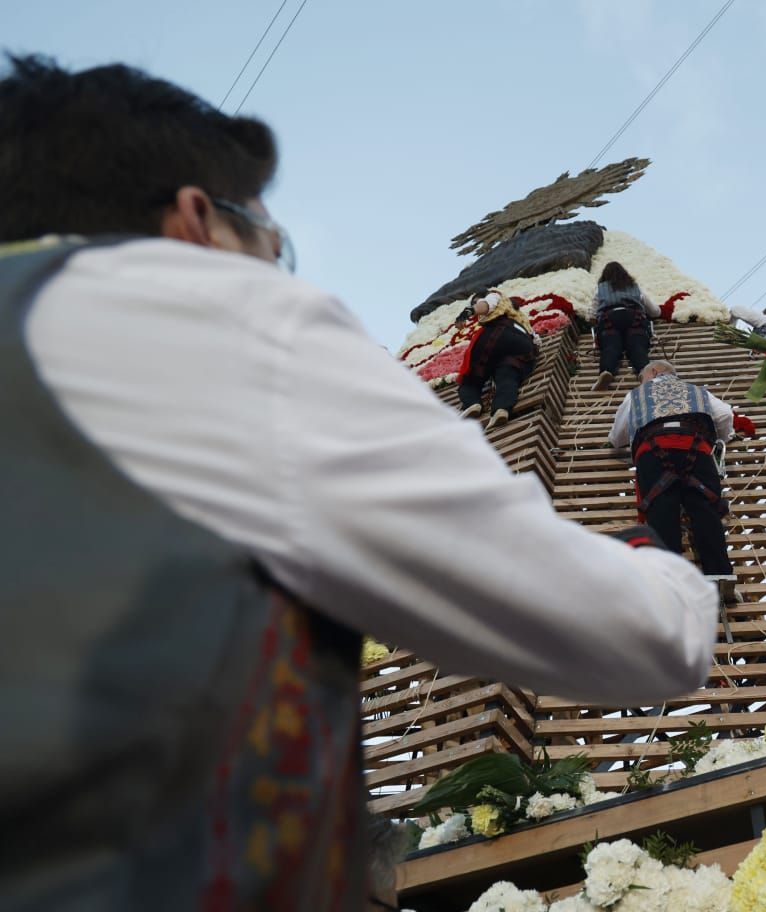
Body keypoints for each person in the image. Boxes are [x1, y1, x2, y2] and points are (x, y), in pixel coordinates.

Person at [0, 54, 717, 910]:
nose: (274, 271)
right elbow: (636, 632)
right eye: (271, 243)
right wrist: (653, 559)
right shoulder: (224, 325)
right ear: (198, 218)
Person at [609, 360, 736, 589]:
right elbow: (725, 414)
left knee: (661, 511)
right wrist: (721, 440)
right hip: (696, 448)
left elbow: (617, 436)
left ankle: (670, 579)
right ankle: (719, 574)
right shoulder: (698, 391)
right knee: (705, 509)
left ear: (654, 372)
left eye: (643, 377)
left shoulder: (636, 395)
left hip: (654, 450)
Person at [455, 288, 537, 430]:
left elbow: (486, 305)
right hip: (524, 346)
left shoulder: (494, 296)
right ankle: (501, 408)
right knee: (507, 375)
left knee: (469, 381)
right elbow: (536, 340)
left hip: (498, 333)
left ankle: (472, 404)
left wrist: (468, 312)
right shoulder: (518, 316)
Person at [592, 260, 660, 391]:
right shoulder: (635, 286)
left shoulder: (599, 289)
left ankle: (606, 372)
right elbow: (655, 311)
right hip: (634, 319)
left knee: (610, 347)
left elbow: (592, 313)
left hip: (609, 320)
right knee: (637, 347)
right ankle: (644, 373)